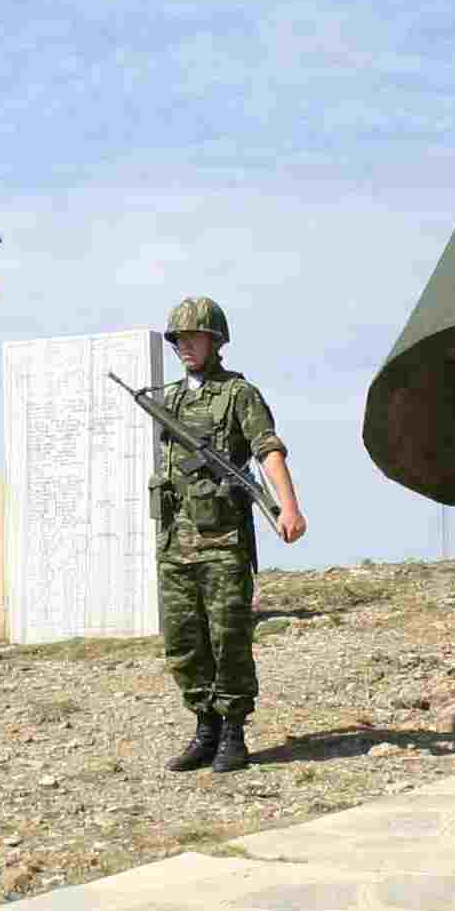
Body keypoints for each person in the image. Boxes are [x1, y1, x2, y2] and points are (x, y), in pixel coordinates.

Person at [150, 296, 306, 773]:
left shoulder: (239, 394)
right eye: (178, 339)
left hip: (222, 542)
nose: (184, 346)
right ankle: (205, 728)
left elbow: (267, 449)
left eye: (193, 337)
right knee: (183, 642)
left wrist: (288, 506)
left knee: (228, 639)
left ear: (215, 341)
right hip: (175, 542)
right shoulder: (170, 399)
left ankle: (233, 733)